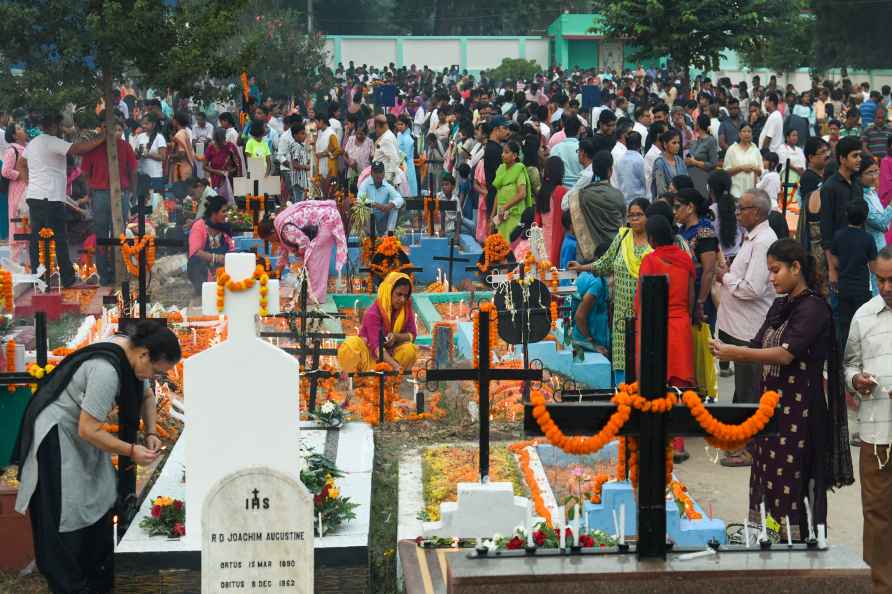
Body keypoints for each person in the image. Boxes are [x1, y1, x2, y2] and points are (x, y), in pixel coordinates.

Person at [13, 320, 182, 594]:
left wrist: (150, 431)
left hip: (84, 433)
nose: (150, 376)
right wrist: (130, 450)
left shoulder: (131, 357)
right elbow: (87, 428)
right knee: (67, 507)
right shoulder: (106, 371)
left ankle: (97, 571)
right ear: (143, 354)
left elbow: (147, 397)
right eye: (154, 370)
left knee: (101, 494)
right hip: (60, 438)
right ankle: (70, 580)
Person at [711, 239, 854, 541]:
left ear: (796, 268)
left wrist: (736, 354)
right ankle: (771, 536)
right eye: (769, 271)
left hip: (800, 413)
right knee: (769, 477)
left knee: (795, 480)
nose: (772, 278)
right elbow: (758, 343)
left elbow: (787, 354)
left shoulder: (814, 308)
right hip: (772, 411)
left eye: (776, 271)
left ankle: (800, 545)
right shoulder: (780, 306)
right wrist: (726, 347)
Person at [715, 189, 778, 466]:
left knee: (750, 390)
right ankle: (741, 442)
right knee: (743, 388)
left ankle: (750, 448)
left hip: (751, 328)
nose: (738, 213)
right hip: (741, 326)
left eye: (743, 208)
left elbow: (751, 288)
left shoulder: (764, 242)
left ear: (758, 212)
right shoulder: (753, 238)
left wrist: (725, 277)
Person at [844, 247, 892, 593]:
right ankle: (880, 586)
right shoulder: (864, 315)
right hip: (877, 432)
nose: (887, 287)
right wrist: (854, 380)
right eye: (881, 279)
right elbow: (849, 363)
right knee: (876, 513)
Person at [568, 198, 652, 383]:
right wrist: (582, 267)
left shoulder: (654, 243)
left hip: (646, 314)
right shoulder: (623, 238)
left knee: (645, 362)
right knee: (622, 364)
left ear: (648, 216)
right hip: (622, 315)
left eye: (639, 215)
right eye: (631, 215)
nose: (634, 219)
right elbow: (604, 263)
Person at [22, 112, 107, 287]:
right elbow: (78, 149)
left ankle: (37, 278)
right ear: (52, 126)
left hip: (37, 196)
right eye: (59, 126)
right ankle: (67, 278)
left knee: (37, 238)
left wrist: (29, 182)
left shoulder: (33, 143)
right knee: (59, 237)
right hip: (50, 198)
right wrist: (102, 138)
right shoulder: (52, 141)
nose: (61, 130)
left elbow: (21, 165)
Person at [636, 213, 696, 387]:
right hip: (682, 323)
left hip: (656, 326)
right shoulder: (685, 258)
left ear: (652, 238)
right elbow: (691, 295)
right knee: (681, 379)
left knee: (657, 380)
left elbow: (642, 299)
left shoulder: (650, 260)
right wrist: (688, 316)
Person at [81, 119, 139, 286]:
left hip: (106, 194)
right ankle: (112, 273)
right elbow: (133, 172)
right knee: (115, 234)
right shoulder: (120, 146)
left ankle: (108, 274)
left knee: (106, 235)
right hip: (115, 194)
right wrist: (132, 192)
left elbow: (85, 174)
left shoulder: (121, 146)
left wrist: (89, 191)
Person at [257, 199, 347, 304]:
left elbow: (304, 242)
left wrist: (299, 253)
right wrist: (276, 275)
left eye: (269, 240)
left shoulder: (284, 229)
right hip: (325, 218)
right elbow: (283, 252)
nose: (271, 243)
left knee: (315, 261)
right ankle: (312, 295)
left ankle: (315, 300)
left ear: (272, 232)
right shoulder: (278, 225)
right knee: (311, 262)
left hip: (326, 220)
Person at [338, 271, 418, 373]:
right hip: (369, 358)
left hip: (392, 356)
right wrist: (396, 367)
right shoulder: (373, 313)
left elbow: (412, 335)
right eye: (399, 294)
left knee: (409, 350)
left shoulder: (405, 309)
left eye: (405, 296)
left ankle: (391, 379)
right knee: (350, 345)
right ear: (389, 291)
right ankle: (360, 379)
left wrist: (396, 337)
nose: (402, 299)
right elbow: (376, 347)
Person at [831, 200, 878, 349]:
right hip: (862, 288)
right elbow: (874, 267)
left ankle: (843, 355)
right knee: (861, 323)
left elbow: (834, 261)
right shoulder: (868, 239)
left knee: (844, 324)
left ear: (846, 215)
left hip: (843, 286)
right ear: (865, 218)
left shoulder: (838, 236)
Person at [569, 150, 626, 260]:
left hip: (589, 258)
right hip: (615, 254)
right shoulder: (618, 195)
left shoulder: (582, 195)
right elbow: (622, 223)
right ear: (610, 171)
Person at [675, 188, 719, 326]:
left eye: (677, 207)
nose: (674, 211)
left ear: (690, 207)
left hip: (700, 294)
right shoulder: (682, 231)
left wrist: (700, 302)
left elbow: (709, 270)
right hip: (685, 292)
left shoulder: (704, 230)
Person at [821, 136, 864, 276]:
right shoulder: (829, 187)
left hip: (859, 255)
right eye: (855, 156)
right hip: (839, 258)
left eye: (860, 155)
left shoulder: (857, 185)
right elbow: (826, 228)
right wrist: (832, 268)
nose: (859, 159)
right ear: (842, 159)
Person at [861, 154, 892, 293]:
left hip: (880, 246)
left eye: (876, 171)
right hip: (871, 251)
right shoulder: (863, 198)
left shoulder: (872, 193)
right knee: (877, 288)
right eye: (869, 172)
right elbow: (881, 223)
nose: (874, 176)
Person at [571, 246, 610, 356]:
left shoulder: (585, 275)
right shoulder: (597, 284)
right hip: (587, 344)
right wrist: (593, 343)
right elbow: (580, 316)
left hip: (579, 338)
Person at [491, 140, 533, 241]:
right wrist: (492, 216)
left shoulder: (519, 170)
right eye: (502, 152)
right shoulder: (500, 169)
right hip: (501, 216)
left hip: (514, 216)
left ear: (514, 156)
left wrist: (505, 207)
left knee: (512, 245)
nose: (502, 155)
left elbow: (522, 194)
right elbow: (498, 193)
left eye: (506, 152)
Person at [3, 123, 29, 264]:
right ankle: (16, 264)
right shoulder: (12, 151)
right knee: (18, 226)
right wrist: (22, 175)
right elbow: (5, 171)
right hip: (18, 194)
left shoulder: (27, 148)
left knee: (28, 227)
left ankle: (29, 264)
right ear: (14, 135)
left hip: (28, 191)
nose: (23, 129)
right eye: (19, 128)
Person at [358, 161, 404, 235]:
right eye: (376, 172)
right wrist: (376, 205)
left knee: (395, 207)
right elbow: (359, 200)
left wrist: (389, 205)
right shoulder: (365, 183)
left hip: (383, 218)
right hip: (370, 218)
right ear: (371, 174)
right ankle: (373, 237)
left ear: (383, 173)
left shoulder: (387, 185)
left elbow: (400, 199)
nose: (378, 175)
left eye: (380, 172)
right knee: (364, 209)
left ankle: (389, 235)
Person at [722, 122, 762, 199]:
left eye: (749, 131)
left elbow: (761, 171)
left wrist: (754, 168)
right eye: (744, 131)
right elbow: (726, 172)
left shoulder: (755, 150)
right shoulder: (732, 149)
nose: (747, 134)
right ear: (739, 134)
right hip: (736, 192)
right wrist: (741, 168)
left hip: (752, 193)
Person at [538, 156, 566, 264]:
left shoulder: (542, 190)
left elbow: (537, 219)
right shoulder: (561, 191)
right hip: (557, 236)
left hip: (543, 236)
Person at [204, 127, 242, 204]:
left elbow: (238, 165)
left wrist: (229, 172)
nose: (223, 142)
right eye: (220, 140)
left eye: (224, 139)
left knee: (230, 203)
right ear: (216, 140)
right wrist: (217, 172)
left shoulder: (230, 147)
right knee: (218, 203)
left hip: (230, 180)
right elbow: (204, 166)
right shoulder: (211, 148)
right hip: (216, 180)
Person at [134, 113, 167, 196]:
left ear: (153, 124)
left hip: (155, 175)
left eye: (146, 123)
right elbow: (136, 154)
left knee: (155, 200)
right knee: (142, 200)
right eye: (143, 123)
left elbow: (163, 156)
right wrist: (138, 154)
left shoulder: (159, 137)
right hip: (142, 174)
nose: (144, 126)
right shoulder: (140, 137)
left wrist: (149, 155)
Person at [686, 113, 719, 197]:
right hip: (692, 177)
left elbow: (713, 163)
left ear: (699, 124)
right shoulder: (696, 141)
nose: (694, 124)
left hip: (703, 178)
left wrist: (695, 162)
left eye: (695, 122)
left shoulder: (710, 141)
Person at [651, 129, 687, 199]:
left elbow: (686, 181)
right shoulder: (659, 163)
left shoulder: (679, 160)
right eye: (674, 143)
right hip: (667, 201)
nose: (677, 146)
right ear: (665, 144)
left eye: (678, 143)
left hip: (682, 199)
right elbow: (661, 190)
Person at [776, 127, 806, 207]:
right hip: (787, 178)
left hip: (799, 179)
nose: (795, 137)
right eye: (793, 135)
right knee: (787, 201)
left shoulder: (799, 150)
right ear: (787, 137)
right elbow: (784, 162)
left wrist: (802, 172)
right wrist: (796, 169)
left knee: (797, 201)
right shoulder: (782, 148)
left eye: (796, 135)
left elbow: (803, 164)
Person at [616, 131, 646, 207]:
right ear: (639, 145)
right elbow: (644, 181)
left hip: (624, 200)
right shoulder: (639, 159)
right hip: (638, 201)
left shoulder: (621, 159)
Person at [372, 114, 401, 185]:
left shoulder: (386, 139)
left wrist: (389, 179)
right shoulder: (388, 135)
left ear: (378, 126)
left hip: (385, 179)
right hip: (383, 178)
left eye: (375, 127)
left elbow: (395, 159)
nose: (375, 130)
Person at [168, 112, 196, 183]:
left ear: (176, 121)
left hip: (180, 169)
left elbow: (182, 153)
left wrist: (170, 156)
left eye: (173, 119)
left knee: (180, 192)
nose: (172, 121)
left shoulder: (179, 135)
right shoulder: (185, 132)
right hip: (186, 168)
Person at [396, 115, 418, 197]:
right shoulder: (399, 135)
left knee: (408, 185)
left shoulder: (408, 138)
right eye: (398, 124)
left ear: (406, 125)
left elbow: (406, 155)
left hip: (407, 164)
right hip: (400, 163)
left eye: (401, 124)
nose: (399, 126)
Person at [314, 113, 340, 181]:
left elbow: (338, 150)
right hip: (321, 167)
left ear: (321, 121)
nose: (315, 124)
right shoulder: (319, 132)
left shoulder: (331, 134)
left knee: (330, 190)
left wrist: (326, 154)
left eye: (316, 122)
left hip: (329, 168)